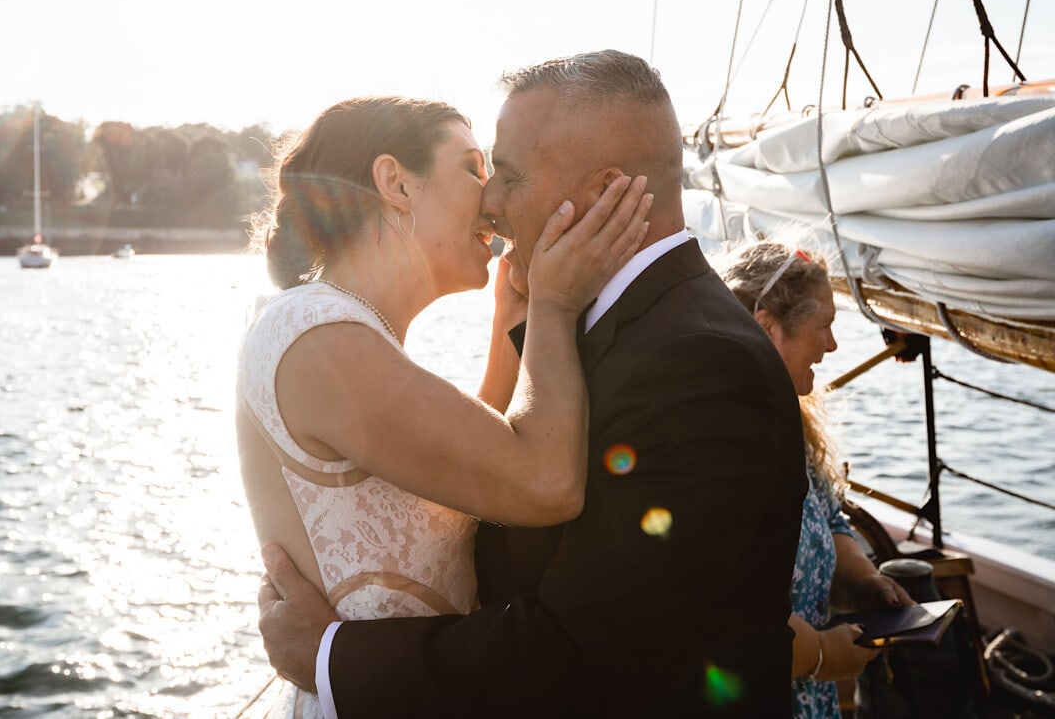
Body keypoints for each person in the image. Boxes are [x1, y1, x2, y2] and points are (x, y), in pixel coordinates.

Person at [258, 51, 809, 717]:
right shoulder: (611, 329)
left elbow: (583, 651)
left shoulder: (701, 361)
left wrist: (332, 656)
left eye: (509, 175)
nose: (490, 201)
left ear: (606, 192)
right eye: (479, 171)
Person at [237, 96, 652, 717]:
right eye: (472, 167)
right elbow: (544, 484)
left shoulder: (338, 328)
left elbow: (458, 480)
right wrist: (555, 307)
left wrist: (511, 329)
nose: (492, 198)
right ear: (396, 182)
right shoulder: (315, 335)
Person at [721, 242, 914, 719]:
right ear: (768, 329)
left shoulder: (795, 428)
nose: (832, 345)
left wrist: (866, 582)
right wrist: (823, 655)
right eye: (823, 326)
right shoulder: (720, 445)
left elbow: (830, 522)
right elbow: (727, 606)